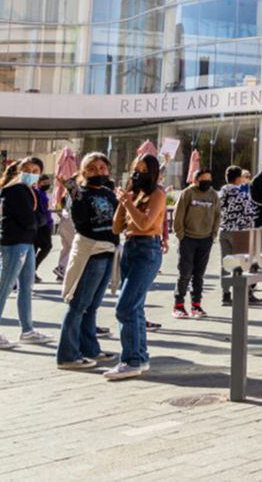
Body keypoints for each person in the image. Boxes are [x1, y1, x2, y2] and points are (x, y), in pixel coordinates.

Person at [56, 152, 120, 370]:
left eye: (102, 168)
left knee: (92, 306)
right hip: (90, 255)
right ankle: (67, 355)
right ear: (83, 171)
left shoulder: (108, 192)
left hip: (108, 253)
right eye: (92, 168)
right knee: (78, 305)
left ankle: (90, 349)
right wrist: (73, 192)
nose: (98, 172)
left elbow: (119, 219)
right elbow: (81, 222)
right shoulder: (78, 193)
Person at [107, 154, 166, 380]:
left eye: (142, 170)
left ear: (151, 173)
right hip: (130, 248)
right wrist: (124, 203)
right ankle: (140, 358)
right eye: (134, 169)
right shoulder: (136, 194)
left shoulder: (158, 194)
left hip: (147, 250)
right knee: (136, 307)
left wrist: (128, 203)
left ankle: (130, 360)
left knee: (125, 307)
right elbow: (116, 227)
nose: (137, 174)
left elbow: (144, 224)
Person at [0, 158, 51, 349]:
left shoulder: (29, 190)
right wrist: (38, 218)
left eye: (35, 170)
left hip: (27, 243)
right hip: (16, 242)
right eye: (27, 169)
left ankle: (27, 330)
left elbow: (38, 218)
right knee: (5, 286)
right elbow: (31, 219)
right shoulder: (15, 190)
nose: (31, 173)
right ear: (18, 171)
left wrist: (38, 218)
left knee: (26, 287)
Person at [171, 169, 221, 319]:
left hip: (205, 239)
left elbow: (217, 215)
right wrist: (180, 235)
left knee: (199, 274)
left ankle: (196, 305)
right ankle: (178, 305)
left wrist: (213, 234)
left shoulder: (213, 195)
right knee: (185, 273)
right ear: (195, 180)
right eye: (203, 179)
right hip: (188, 238)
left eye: (209, 179)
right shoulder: (187, 193)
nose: (206, 182)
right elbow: (178, 215)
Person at [219, 166, 260, 306]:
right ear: (238, 178)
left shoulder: (222, 192)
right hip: (240, 232)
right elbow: (249, 213)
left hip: (224, 230)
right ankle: (245, 293)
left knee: (226, 262)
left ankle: (225, 294)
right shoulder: (242, 192)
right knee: (242, 262)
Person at [32, 172, 54, 282]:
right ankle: (32, 270)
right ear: (38, 183)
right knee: (46, 246)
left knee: (35, 248)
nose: (47, 184)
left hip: (46, 223)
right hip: (42, 225)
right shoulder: (37, 192)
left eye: (48, 182)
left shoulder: (43, 193)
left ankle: (31, 271)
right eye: (44, 183)